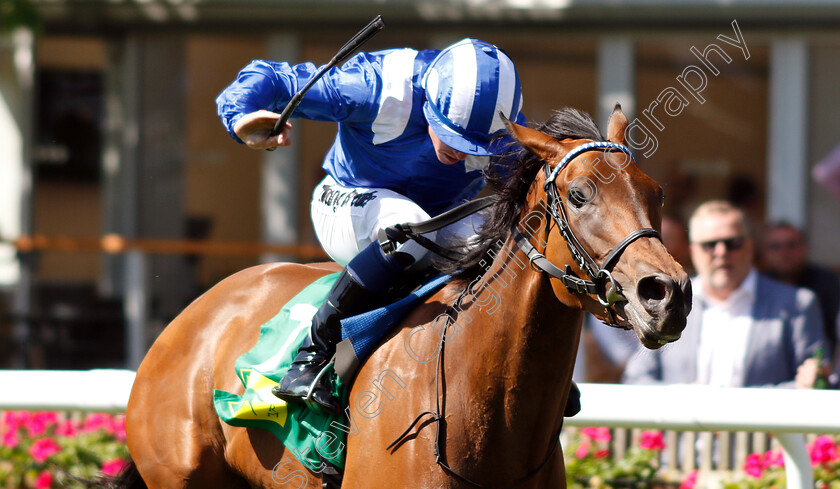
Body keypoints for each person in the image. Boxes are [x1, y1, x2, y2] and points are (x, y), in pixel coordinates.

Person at [216, 39, 525, 413]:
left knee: (510, 248)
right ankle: (313, 352)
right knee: (412, 229)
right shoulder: (377, 85)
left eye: (475, 146)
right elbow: (272, 77)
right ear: (429, 98)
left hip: (442, 216)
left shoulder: (506, 130)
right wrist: (241, 115)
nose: (460, 151)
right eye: (452, 133)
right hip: (348, 201)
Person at [623, 200, 825, 388]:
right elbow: (635, 379)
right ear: (693, 251)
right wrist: (681, 398)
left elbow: (813, 382)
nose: (721, 252)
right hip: (685, 426)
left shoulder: (797, 304)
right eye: (709, 245)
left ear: (750, 247)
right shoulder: (666, 302)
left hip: (761, 426)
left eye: (732, 243)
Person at [759, 222, 840, 363]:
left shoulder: (826, 282)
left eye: (791, 245)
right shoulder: (755, 287)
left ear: (805, 248)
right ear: (763, 253)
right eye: (775, 246)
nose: (784, 253)